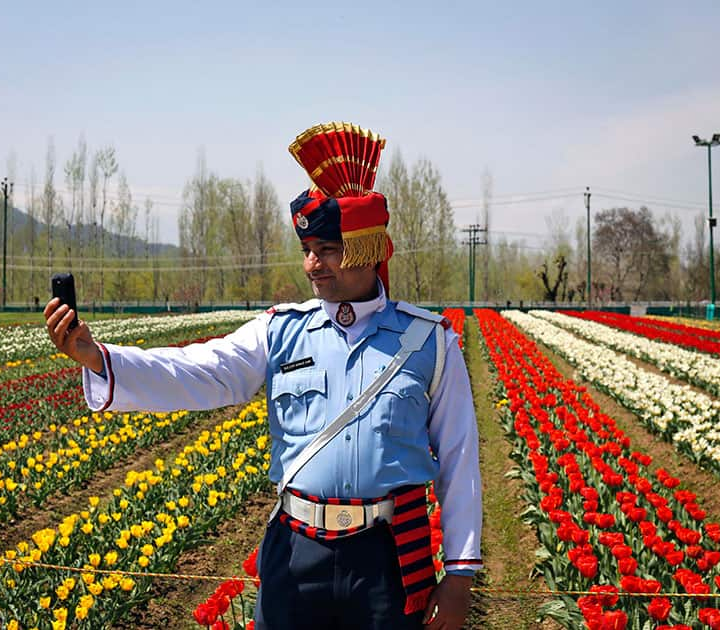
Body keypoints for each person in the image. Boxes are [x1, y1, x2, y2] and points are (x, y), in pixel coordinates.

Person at [44, 122, 482, 629]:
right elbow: (202, 370)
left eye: (327, 250)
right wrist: (100, 357)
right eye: (307, 250)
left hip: (387, 560)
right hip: (296, 553)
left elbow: (459, 457)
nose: (312, 264)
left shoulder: (430, 342)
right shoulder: (281, 331)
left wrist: (460, 574)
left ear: (366, 249)